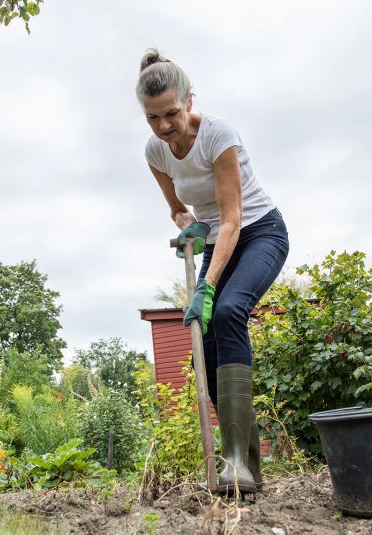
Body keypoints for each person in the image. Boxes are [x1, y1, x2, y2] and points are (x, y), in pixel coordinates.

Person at [137, 49, 289, 494]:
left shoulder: (219, 135)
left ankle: (241, 462)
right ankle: (238, 465)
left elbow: (232, 219)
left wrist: (206, 284)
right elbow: (179, 212)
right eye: (153, 118)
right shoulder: (155, 151)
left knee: (227, 311)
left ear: (189, 100)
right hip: (216, 238)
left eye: (172, 114)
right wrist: (189, 227)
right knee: (205, 339)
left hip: (260, 233)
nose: (165, 127)